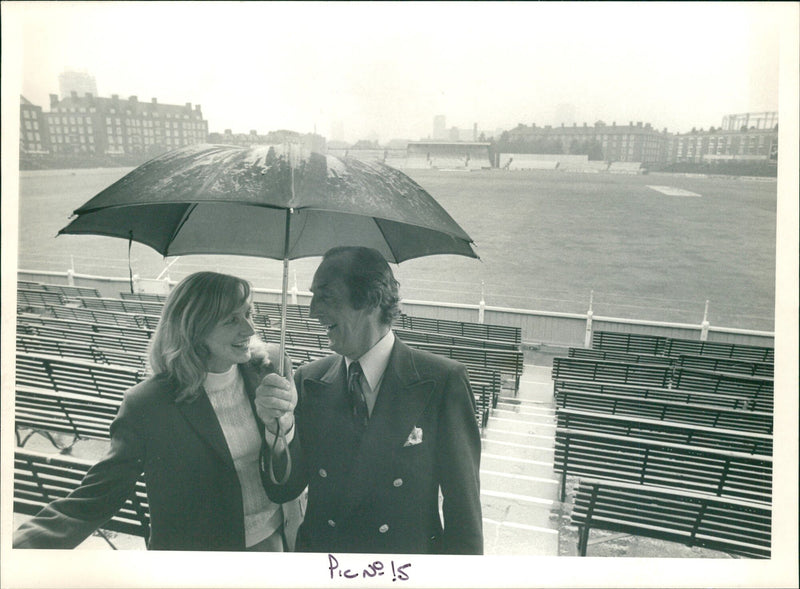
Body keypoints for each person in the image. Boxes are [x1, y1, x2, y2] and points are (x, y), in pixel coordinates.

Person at [13, 271, 303, 551]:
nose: (250, 329)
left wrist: (281, 428)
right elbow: (99, 495)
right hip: (197, 559)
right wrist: (18, 548)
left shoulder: (270, 369)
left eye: (248, 314)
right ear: (194, 328)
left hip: (273, 542)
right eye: (231, 320)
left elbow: (289, 478)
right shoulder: (147, 403)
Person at [255, 246, 483, 554]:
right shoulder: (308, 380)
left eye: (326, 296)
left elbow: (463, 512)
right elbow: (283, 490)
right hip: (324, 565)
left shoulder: (442, 382)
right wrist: (278, 431)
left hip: (400, 569)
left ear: (372, 300)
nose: (311, 311)